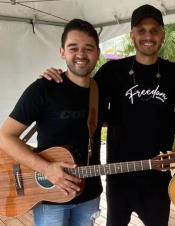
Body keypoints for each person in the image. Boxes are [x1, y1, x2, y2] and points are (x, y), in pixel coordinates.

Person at [40, 5, 175, 226]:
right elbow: (84, 101)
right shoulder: (112, 72)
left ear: (162, 35)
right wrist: (58, 78)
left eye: (153, 30)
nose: (147, 36)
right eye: (141, 30)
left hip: (158, 175)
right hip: (118, 175)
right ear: (132, 36)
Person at [0, 19, 102, 226]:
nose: (81, 55)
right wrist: (46, 169)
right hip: (48, 194)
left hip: (89, 196)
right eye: (73, 48)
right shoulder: (44, 89)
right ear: (62, 52)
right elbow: (5, 136)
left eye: (88, 49)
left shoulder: (100, 92)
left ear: (98, 53)